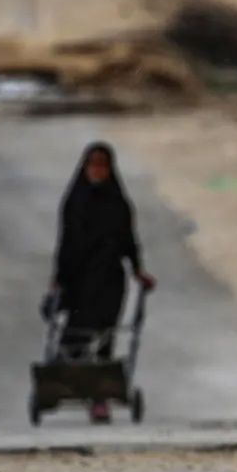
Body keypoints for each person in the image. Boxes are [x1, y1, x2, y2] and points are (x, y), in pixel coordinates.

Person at [51, 142, 156, 423]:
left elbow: (129, 242)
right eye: (93, 165)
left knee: (106, 336)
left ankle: (99, 398)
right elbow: (65, 244)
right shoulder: (74, 201)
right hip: (78, 280)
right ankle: (67, 383)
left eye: (102, 165)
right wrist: (57, 280)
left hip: (110, 280)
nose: (97, 171)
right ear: (84, 168)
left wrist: (138, 270)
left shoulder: (119, 203)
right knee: (77, 335)